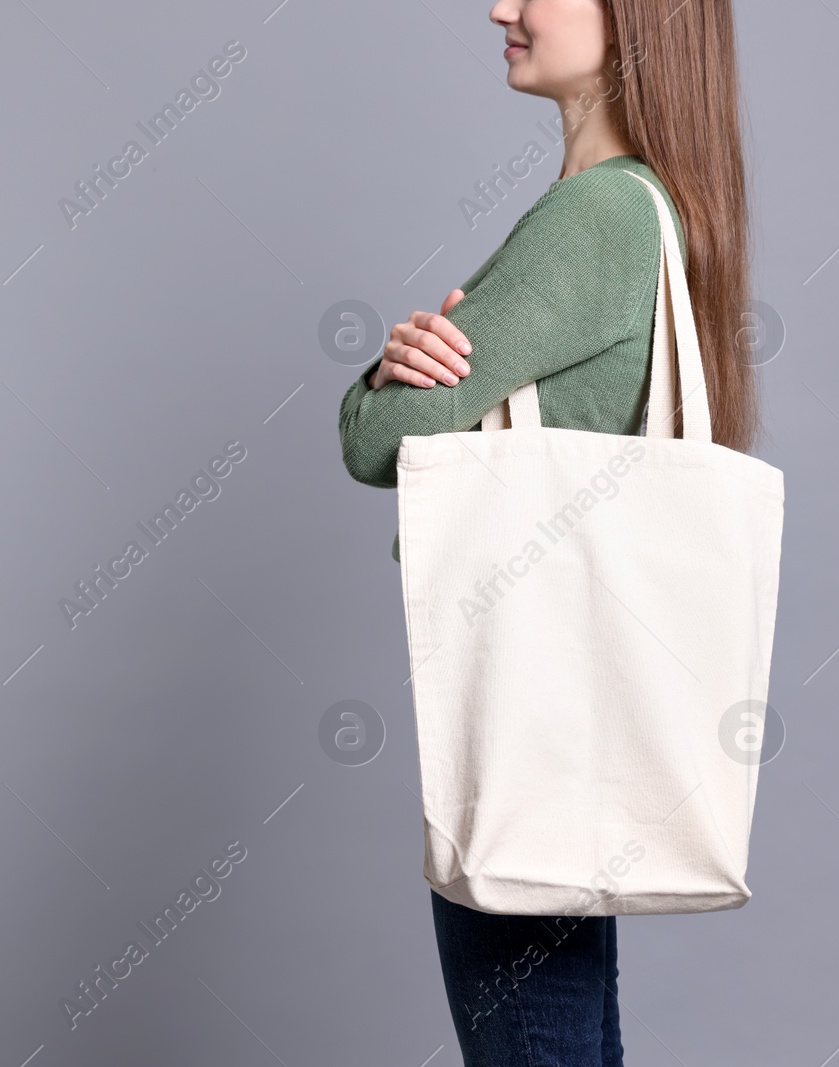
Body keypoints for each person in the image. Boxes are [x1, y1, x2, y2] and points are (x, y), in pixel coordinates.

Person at [337, 1, 759, 1062]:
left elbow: (377, 438)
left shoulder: (596, 219)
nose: (502, 7)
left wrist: (379, 382)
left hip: (527, 732)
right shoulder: (657, 209)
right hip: (575, 732)